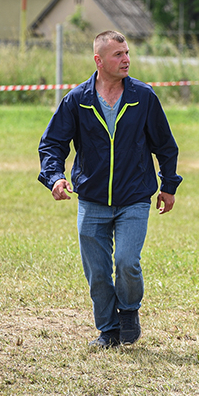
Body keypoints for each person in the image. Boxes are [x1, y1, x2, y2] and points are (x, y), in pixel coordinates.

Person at [38, 30, 181, 348]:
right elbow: (52, 143)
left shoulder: (144, 97)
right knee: (98, 272)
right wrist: (55, 177)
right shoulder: (77, 99)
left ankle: (128, 311)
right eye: (118, 54)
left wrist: (169, 185)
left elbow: (165, 145)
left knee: (127, 262)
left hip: (134, 197)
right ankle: (108, 330)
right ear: (99, 60)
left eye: (127, 52)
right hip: (92, 199)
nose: (126, 59)